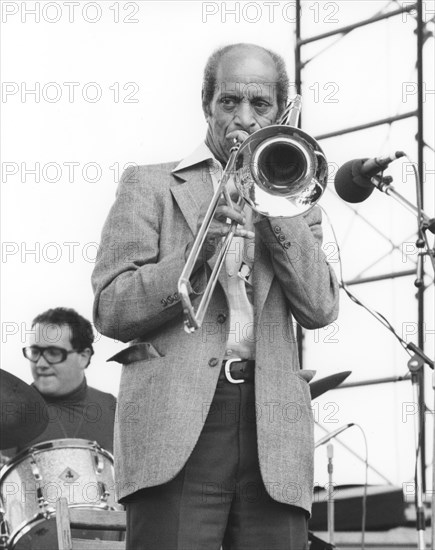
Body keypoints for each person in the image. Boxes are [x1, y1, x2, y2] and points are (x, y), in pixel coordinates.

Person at [92, 43, 339, 550]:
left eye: (260, 105)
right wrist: (197, 252)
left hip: (273, 427)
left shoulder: (299, 198)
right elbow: (111, 308)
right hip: (176, 426)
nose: (243, 118)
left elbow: (320, 308)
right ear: (207, 104)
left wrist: (276, 211)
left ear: (279, 110)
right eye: (229, 102)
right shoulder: (150, 185)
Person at [18, 307, 116, 453]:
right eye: (35, 352)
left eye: (53, 353)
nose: (41, 364)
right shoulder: (12, 411)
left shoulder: (112, 407)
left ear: (83, 357)